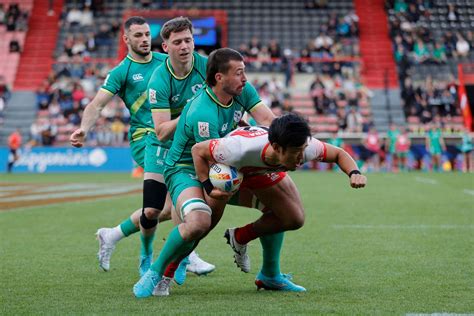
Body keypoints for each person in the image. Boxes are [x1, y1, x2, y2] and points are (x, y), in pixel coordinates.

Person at [69, 16, 213, 277]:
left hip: (177, 138)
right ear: (126, 39)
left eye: (147, 34)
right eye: (138, 35)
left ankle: (114, 234)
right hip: (146, 139)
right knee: (175, 200)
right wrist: (84, 128)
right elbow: (97, 105)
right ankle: (181, 256)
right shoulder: (121, 72)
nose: (145, 39)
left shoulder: (165, 61)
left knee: (160, 209)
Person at [133, 48, 275, 298]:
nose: (245, 78)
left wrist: (283, 140)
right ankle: (158, 272)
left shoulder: (242, 90)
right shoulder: (203, 112)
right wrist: (210, 187)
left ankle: (271, 273)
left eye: (244, 72)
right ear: (219, 77)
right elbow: (206, 156)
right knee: (200, 222)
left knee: (279, 202)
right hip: (185, 167)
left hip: (223, 161)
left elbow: (268, 120)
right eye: (239, 72)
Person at [191, 113, 366, 293]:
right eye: (295, 153)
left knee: (293, 218)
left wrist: (354, 172)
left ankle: (249, 248)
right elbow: (198, 150)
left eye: (302, 151)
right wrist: (208, 187)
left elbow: (338, 153)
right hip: (230, 170)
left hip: (260, 172)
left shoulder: (304, 147)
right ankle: (171, 266)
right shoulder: (240, 149)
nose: (301, 159)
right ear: (277, 147)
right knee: (202, 222)